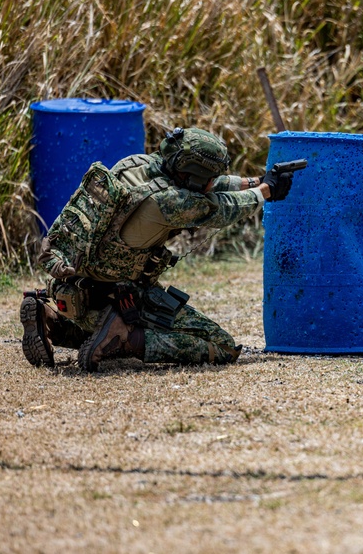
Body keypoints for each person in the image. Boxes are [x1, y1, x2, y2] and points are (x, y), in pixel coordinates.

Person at [20, 127, 293, 371]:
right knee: (222, 346)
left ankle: (52, 319)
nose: (213, 182)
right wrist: (266, 192)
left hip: (75, 289)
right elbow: (223, 208)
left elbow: (205, 187)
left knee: (93, 329)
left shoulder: (135, 164)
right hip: (122, 297)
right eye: (209, 177)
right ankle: (126, 336)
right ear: (193, 177)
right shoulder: (170, 202)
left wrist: (256, 181)